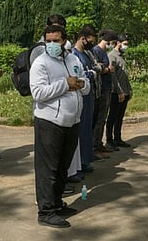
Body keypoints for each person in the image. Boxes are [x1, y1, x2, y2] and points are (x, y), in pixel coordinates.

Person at [30, 24, 90, 228]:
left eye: (56, 40)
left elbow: (85, 84)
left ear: (64, 41)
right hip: (49, 122)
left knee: (63, 166)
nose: (52, 44)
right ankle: (45, 211)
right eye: (48, 41)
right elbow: (38, 93)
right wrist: (65, 84)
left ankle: (57, 203)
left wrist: (81, 84)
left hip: (72, 121)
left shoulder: (73, 59)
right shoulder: (41, 63)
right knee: (48, 168)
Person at [71, 25, 97, 172]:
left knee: (87, 128)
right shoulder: (74, 55)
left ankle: (86, 160)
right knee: (81, 130)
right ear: (83, 38)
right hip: (81, 97)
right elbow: (78, 77)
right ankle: (78, 164)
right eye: (90, 40)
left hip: (89, 95)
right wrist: (91, 74)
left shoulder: (86, 54)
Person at [92, 29, 118, 153]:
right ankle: (96, 144)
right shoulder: (97, 51)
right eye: (113, 42)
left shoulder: (103, 51)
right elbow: (97, 69)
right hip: (102, 88)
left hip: (107, 87)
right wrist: (108, 69)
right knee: (100, 117)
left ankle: (98, 142)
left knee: (103, 117)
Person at [106, 34, 132, 149]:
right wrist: (120, 91)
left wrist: (129, 90)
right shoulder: (112, 56)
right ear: (118, 43)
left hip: (124, 91)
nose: (126, 46)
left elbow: (124, 75)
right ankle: (109, 140)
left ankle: (117, 138)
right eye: (124, 44)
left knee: (120, 117)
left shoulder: (121, 56)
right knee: (112, 116)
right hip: (115, 92)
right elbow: (113, 76)